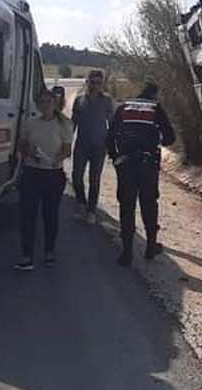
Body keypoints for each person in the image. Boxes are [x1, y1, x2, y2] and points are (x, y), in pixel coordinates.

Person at [106, 80, 175, 266]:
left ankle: (127, 252)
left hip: (126, 164)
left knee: (126, 207)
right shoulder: (155, 109)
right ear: (155, 94)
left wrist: (116, 158)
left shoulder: (124, 107)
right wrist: (155, 138)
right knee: (149, 204)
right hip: (148, 165)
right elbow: (170, 138)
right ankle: (151, 246)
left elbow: (110, 135)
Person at [15, 86, 72, 270]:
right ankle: (26, 255)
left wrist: (57, 159)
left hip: (53, 175)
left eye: (49, 102)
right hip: (32, 173)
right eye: (42, 102)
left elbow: (67, 149)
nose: (45, 105)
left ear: (55, 104)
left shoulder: (64, 124)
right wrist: (29, 152)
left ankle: (49, 251)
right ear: (38, 105)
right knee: (27, 215)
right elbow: (21, 145)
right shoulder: (30, 123)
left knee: (50, 215)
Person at [70, 69, 115, 222]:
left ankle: (91, 210)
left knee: (94, 179)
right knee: (76, 176)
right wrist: (67, 141)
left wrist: (112, 145)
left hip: (99, 146)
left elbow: (112, 124)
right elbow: (73, 123)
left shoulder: (107, 100)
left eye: (99, 83)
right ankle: (81, 202)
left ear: (102, 84)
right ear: (87, 82)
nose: (96, 86)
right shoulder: (79, 100)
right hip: (82, 144)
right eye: (93, 82)